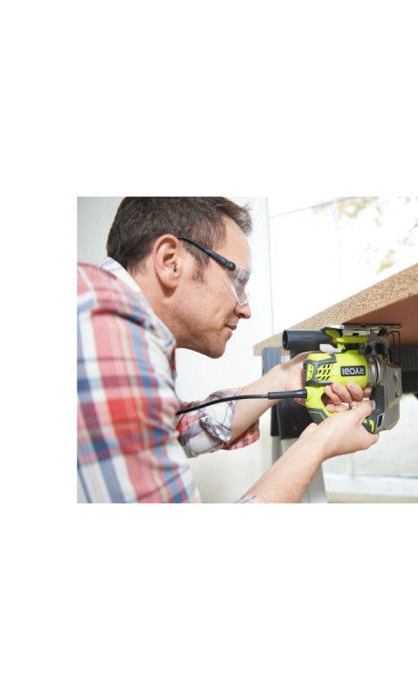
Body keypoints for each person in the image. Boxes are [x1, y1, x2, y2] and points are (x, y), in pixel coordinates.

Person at [77, 197, 378, 503]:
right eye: (238, 281)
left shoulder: (106, 312)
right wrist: (318, 444)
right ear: (170, 261)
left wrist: (284, 377)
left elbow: (174, 429)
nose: (245, 309)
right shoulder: (108, 324)